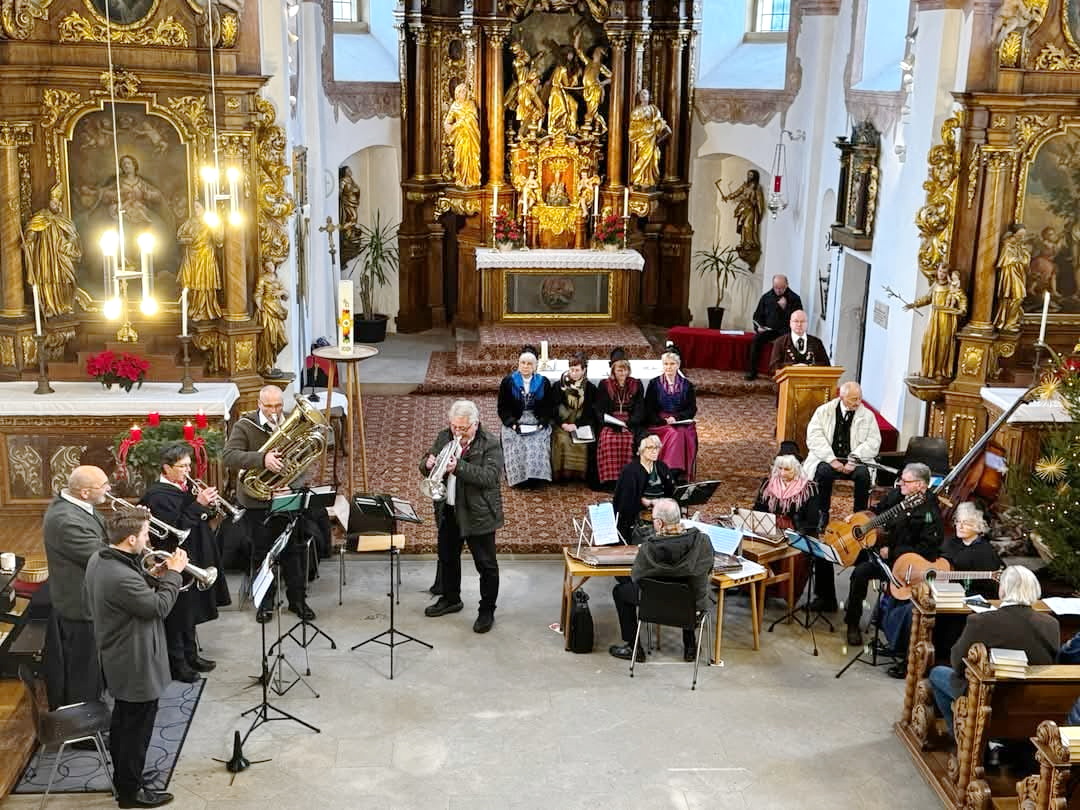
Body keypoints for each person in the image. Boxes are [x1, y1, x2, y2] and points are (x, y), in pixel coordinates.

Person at [84, 508, 186, 809]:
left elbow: (131, 593)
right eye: (144, 534)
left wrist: (152, 576)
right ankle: (130, 792)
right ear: (130, 539)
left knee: (125, 723)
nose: (148, 539)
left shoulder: (101, 557)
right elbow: (158, 608)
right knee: (135, 730)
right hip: (134, 661)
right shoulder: (119, 576)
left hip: (122, 653)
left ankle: (128, 777)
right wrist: (174, 574)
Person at [929, 565, 1058, 735]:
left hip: (988, 699)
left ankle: (960, 736)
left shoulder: (981, 621)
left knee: (937, 673)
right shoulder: (1051, 624)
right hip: (1033, 700)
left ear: (1002, 590)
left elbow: (956, 662)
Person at [222, 385, 313, 623]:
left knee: (293, 551)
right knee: (262, 554)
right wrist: (262, 459)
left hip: (285, 498)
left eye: (279, 405)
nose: (274, 411)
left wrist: (291, 486)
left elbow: (304, 461)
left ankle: (298, 601)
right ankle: (265, 603)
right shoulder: (245, 425)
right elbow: (229, 456)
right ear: (259, 404)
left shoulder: (292, 423)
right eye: (269, 406)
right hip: (256, 501)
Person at [882, 501, 1003, 679]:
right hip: (938, 589)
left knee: (913, 611)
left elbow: (986, 588)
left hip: (959, 601)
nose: (960, 526)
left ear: (978, 527)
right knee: (897, 598)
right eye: (958, 521)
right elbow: (933, 562)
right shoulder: (952, 542)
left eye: (966, 523)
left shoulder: (985, 552)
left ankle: (911, 661)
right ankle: (898, 648)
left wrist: (955, 588)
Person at [139, 442, 226, 682]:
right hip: (175, 559)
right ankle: (177, 664)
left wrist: (208, 507)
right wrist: (198, 504)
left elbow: (197, 517)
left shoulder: (182, 487)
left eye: (189, 465)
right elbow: (176, 528)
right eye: (182, 466)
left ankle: (191, 655)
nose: (188, 471)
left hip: (194, 554)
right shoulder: (157, 495)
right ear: (166, 468)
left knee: (190, 610)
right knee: (178, 614)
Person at [836, 462, 944, 646]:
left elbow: (927, 548)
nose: (900, 484)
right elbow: (877, 510)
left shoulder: (930, 513)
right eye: (901, 480)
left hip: (906, 566)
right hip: (884, 551)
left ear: (920, 485)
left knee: (862, 571)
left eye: (906, 481)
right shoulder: (898, 494)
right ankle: (852, 622)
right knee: (857, 567)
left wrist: (893, 551)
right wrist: (857, 516)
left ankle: (888, 624)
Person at [421, 400, 504, 633]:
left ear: (475, 424)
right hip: (448, 510)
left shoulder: (490, 443)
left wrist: (458, 467)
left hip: (478, 513)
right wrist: (427, 464)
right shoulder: (445, 436)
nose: (457, 432)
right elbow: (427, 461)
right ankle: (451, 599)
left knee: (486, 565)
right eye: (454, 426)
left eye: (463, 428)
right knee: (447, 558)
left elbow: (489, 477)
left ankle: (486, 610)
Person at [609, 499, 714, 662]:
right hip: (690, 607)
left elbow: (636, 577)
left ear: (659, 523)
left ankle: (633, 648)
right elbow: (706, 570)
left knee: (620, 591)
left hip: (653, 607)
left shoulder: (648, 548)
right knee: (690, 584)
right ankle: (690, 647)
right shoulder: (702, 541)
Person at [41, 465, 110, 709]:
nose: (108, 489)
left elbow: (103, 534)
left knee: (91, 666)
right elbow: (101, 555)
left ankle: (94, 705)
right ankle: (84, 721)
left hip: (89, 598)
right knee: (83, 670)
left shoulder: (80, 506)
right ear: (84, 492)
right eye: (104, 486)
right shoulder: (65, 520)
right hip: (78, 605)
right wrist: (133, 540)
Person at [804, 381, 881, 530]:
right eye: (853, 399)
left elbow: (873, 441)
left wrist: (854, 459)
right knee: (823, 472)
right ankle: (822, 513)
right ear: (842, 397)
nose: (858, 403)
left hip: (856, 459)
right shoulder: (824, 411)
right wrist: (831, 459)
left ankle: (858, 516)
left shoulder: (867, 415)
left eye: (860, 398)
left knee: (863, 475)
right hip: (829, 458)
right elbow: (814, 437)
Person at [497, 346, 555, 487]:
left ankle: (535, 479)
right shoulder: (508, 382)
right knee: (516, 441)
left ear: (535, 366)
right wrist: (512, 423)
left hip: (535, 419)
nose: (525, 366)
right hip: (516, 420)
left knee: (536, 442)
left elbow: (549, 406)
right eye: (523, 363)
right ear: (518, 364)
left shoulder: (543, 382)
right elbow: (502, 407)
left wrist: (543, 421)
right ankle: (520, 480)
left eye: (529, 364)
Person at [23, 183, 82, 317]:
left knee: (66, 277)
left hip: (60, 252)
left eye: (57, 202)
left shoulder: (63, 220)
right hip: (45, 252)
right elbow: (31, 229)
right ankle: (49, 306)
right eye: (53, 202)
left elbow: (73, 235)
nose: (56, 205)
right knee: (46, 278)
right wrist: (29, 238)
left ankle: (63, 305)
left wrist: (69, 243)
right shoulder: (41, 216)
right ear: (49, 203)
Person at [905, 265, 967, 380]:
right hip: (934, 317)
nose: (941, 274)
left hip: (946, 318)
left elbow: (961, 297)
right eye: (940, 271)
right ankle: (926, 369)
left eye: (944, 272)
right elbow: (927, 298)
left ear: (948, 274)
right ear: (937, 271)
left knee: (942, 343)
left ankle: (939, 370)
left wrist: (962, 309)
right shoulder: (935, 285)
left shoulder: (951, 287)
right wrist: (915, 304)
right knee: (927, 342)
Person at [643, 350, 698, 482]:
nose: (669, 367)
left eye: (672, 364)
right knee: (675, 433)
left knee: (683, 432)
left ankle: (676, 472)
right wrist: (661, 420)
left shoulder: (687, 385)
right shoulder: (654, 383)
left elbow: (692, 408)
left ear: (678, 365)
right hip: (660, 422)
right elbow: (648, 407)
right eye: (666, 364)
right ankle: (671, 471)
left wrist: (677, 418)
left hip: (680, 420)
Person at [594, 351, 645, 488]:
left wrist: (630, 422)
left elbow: (640, 408)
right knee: (608, 439)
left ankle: (626, 478)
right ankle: (611, 480)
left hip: (630, 422)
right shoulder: (605, 384)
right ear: (613, 371)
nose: (623, 373)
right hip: (610, 422)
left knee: (628, 440)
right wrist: (611, 423)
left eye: (625, 370)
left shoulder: (636, 384)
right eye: (619, 370)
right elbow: (599, 409)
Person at [612, 434, 676, 543]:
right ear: (640, 450)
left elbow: (671, 490)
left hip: (663, 515)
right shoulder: (630, 471)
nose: (655, 451)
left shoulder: (661, 467)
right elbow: (625, 504)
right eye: (650, 448)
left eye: (657, 447)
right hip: (640, 521)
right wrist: (648, 503)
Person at [550, 352, 598, 482]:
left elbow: (590, 412)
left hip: (580, 423)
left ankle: (578, 476)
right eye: (571, 370)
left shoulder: (590, 389)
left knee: (582, 443)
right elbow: (553, 408)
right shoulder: (559, 386)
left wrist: (576, 424)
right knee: (562, 440)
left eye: (577, 370)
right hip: (563, 422)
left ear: (584, 370)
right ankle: (562, 475)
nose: (574, 373)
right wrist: (563, 424)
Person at [746, 275, 803, 380]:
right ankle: (752, 371)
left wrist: (784, 308)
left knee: (784, 342)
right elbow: (757, 316)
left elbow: (798, 319)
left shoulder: (794, 298)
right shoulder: (766, 297)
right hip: (769, 330)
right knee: (756, 340)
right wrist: (759, 327)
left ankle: (783, 375)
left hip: (786, 331)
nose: (778, 290)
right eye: (776, 287)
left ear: (787, 285)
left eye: (781, 288)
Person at [176, 201, 223, 322]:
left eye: (197, 207)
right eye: (194, 207)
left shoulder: (210, 221)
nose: (195, 209)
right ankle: (195, 308)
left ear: (204, 207)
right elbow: (180, 236)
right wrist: (187, 240)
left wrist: (214, 227)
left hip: (205, 255)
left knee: (204, 284)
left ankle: (204, 310)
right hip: (192, 256)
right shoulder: (190, 222)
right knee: (192, 283)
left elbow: (219, 239)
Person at [753, 454, 820, 535]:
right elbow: (759, 508)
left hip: (797, 531)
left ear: (796, 469)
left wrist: (796, 530)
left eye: (787, 469)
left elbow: (812, 521)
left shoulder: (809, 489)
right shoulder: (768, 484)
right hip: (770, 528)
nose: (782, 473)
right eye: (780, 468)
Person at [718, 170, 766, 271]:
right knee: (743, 227)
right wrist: (728, 197)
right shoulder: (744, 186)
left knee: (748, 227)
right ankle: (744, 243)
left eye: (751, 175)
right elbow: (736, 193)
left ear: (755, 177)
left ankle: (750, 244)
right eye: (748, 175)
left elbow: (760, 202)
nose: (749, 176)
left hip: (751, 210)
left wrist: (759, 214)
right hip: (743, 209)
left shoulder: (757, 188)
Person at [628, 88, 671, 189]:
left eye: (645, 93)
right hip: (641, 137)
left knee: (652, 159)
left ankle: (649, 180)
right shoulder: (636, 110)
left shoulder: (653, 109)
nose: (643, 95)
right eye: (641, 94)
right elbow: (633, 126)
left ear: (649, 96)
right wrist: (639, 132)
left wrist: (658, 139)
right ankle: (638, 179)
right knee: (642, 157)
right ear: (639, 98)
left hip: (651, 137)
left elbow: (664, 127)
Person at [253, 261, 289, 377]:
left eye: (272, 265)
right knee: (268, 339)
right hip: (267, 310)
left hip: (277, 310)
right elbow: (257, 294)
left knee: (282, 340)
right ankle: (267, 365)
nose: (270, 267)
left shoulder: (277, 278)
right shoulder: (262, 278)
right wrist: (260, 306)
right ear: (265, 268)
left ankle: (271, 360)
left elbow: (286, 295)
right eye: (267, 266)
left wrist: (281, 292)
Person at [769, 310, 831, 375]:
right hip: (789, 379)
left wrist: (809, 367)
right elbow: (773, 367)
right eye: (796, 321)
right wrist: (793, 367)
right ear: (790, 323)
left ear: (807, 324)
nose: (799, 324)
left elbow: (826, 366)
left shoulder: (817, 342)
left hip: (812, 379)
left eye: (802, 321)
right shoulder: (780, 342)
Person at [993, 224, 1029, 332]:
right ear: (1014, 234)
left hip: (1019, 273)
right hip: (1010, 273)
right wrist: (1020, 259)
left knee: (1017, 297)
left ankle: (1010, 322)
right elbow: (1007, 259)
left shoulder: (1019, 245)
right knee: (1018, 297)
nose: (1022, 237)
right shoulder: (1007, 245)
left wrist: (1024, 256)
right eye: (1020, 234)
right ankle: (1009, 323)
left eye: (1023, 234)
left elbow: (1025, 259)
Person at [444, 83, 481, 188]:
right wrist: (451, 127)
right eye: (461, 91)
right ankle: (461, 179)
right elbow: (447, 122)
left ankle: (472, 179)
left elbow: (473, 118)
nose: (463, 93)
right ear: (457, 94)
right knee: (461, 157)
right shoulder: (454, 106)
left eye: (465, 91)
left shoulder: (471, 104)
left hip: (471, 136)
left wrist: (464, 121)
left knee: (472, 156)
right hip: (461, 136)